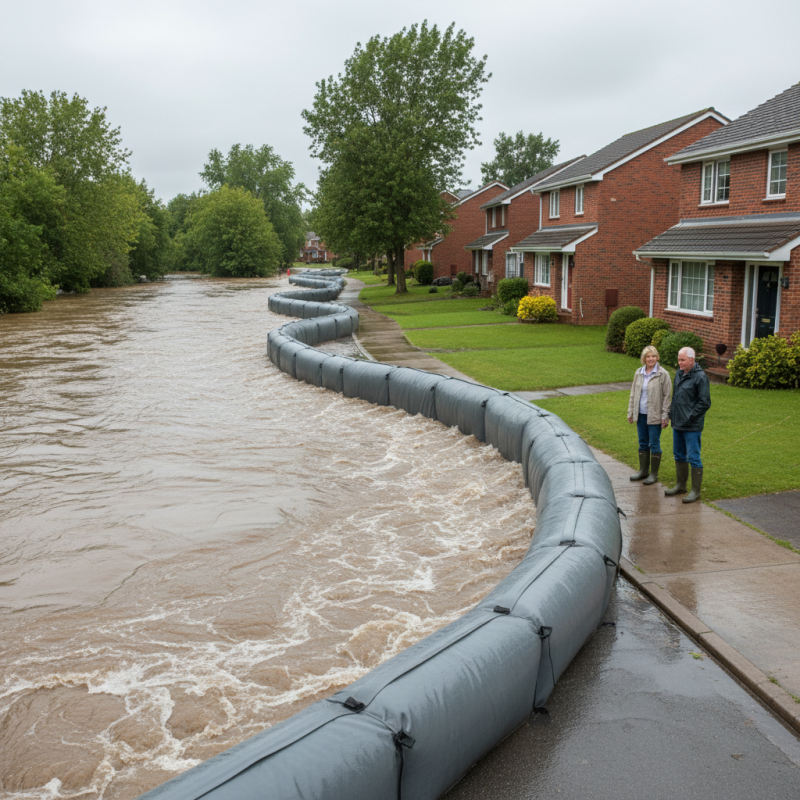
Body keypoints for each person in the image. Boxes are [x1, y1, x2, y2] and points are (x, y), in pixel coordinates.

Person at [665, 346, 711, 503]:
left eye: (682, 360)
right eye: (678, 359)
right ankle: (681, 485)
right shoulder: (678, 374)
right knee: (678, 454)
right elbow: (676, 397)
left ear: (692, 360)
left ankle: (695, 491)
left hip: (691, 426)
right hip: (677, 424)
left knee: (693, 457)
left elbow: (704, 402)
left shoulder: (700, 377)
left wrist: (689, 417)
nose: (679, 363)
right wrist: (672, 414)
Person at [627, 345, 672, 485]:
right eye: (648, 356)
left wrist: (665, 416)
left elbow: (667, 397)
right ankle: (643, 471)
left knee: (654, 443)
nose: (651, 359)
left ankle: (653, 474)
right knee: (642, 442)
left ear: (657, 357)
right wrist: (631, 412)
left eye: (653, 356)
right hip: (640, 414)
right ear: (644, 358)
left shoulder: (663, 374)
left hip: (655, 415)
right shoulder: (638, 373)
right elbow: (633, 394)